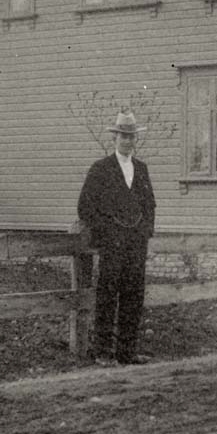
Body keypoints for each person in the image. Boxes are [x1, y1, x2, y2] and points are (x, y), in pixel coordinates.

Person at [77, 109, 156, 366]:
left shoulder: (141, 170)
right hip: (112, 245)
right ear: (115, 138)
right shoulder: (101, 169)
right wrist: (107, 233)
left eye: (131, 137)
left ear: (136, 140)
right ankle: (102, 352)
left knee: (133, 296)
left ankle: (127, 351)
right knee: (108, 295)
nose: (127, 141)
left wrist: (144, 233)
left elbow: (149, 206)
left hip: (135, 246)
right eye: (123, 136)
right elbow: (85, 207)